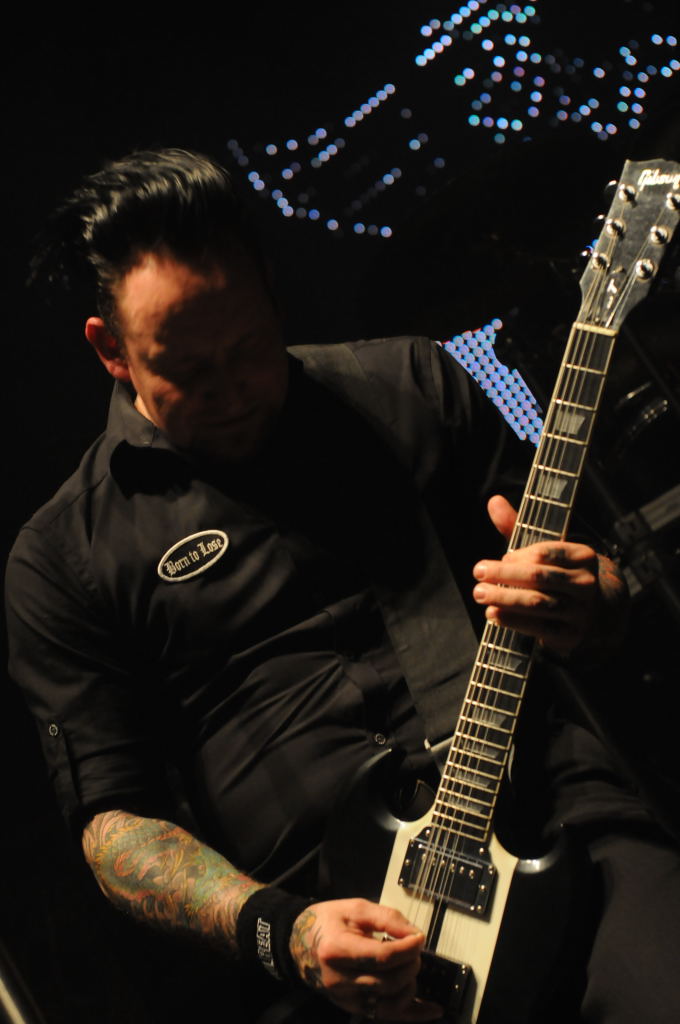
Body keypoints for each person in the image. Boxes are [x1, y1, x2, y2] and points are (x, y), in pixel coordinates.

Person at [5, 148, 678, 1024]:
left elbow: (599, 589)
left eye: (249, 348)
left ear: (271, 292)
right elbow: (116, 828)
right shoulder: (62, 556)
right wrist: (282, 932)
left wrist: (593, 600)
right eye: (188, 370)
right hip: (334, 940)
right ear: (112, 351)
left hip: (551, 820)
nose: (231, 389)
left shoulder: (409, 385)